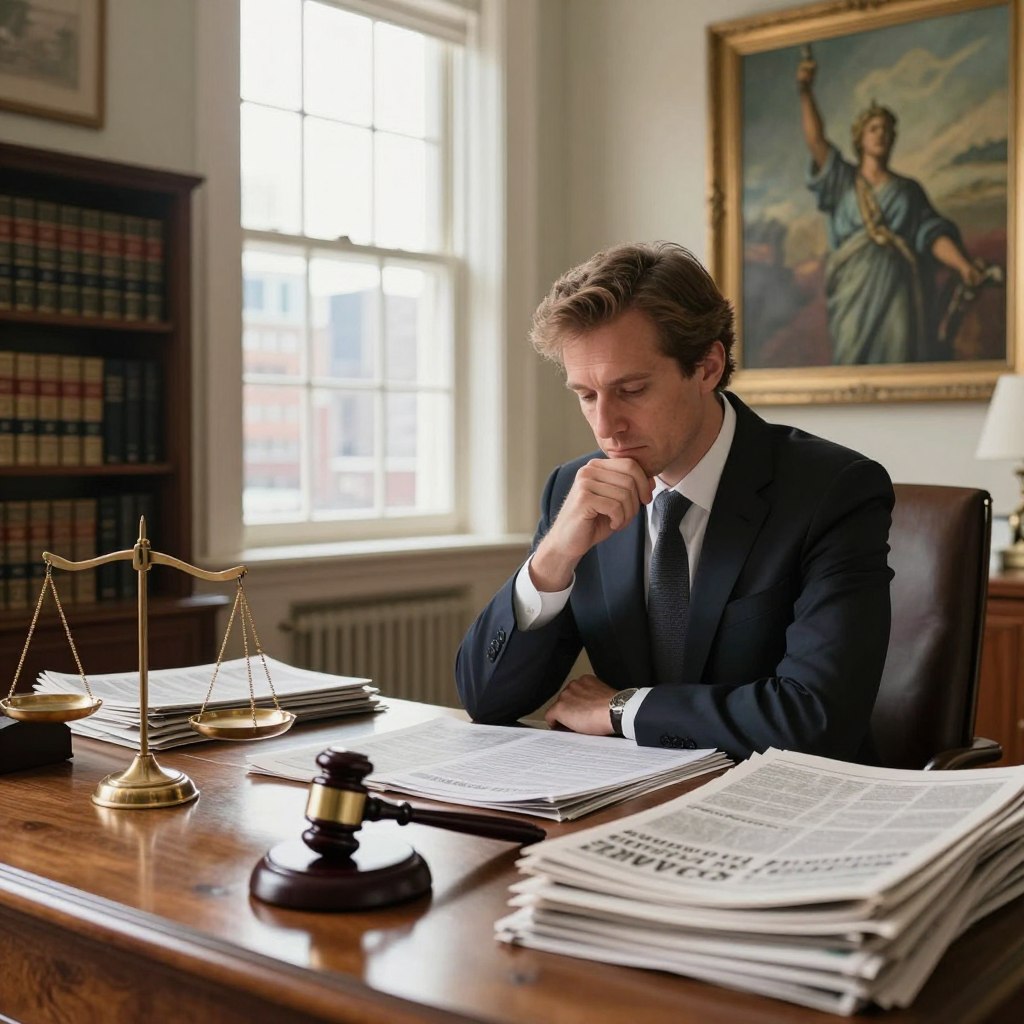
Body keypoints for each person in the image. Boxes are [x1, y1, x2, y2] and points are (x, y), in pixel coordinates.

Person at [454, 241, 894, 763]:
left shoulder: (833, 489)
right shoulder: (574, 490)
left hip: (783, 807)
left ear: (707, 366)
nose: (605, 426)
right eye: (586, 395)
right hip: (624, 801)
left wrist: (623, 709)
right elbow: (486, 699)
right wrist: (553, 559)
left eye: (632, 389)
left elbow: (816, 719)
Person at [797, 53, 985, 364]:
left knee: (898, 355)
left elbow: (931, 234)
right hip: (851, 291)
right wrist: (805, 91)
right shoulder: (842, 180)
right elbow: (816, 141)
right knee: (850, 361)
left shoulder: (907, 190)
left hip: (898, 292)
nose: (881, 134)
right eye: (873, 128)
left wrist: (963, 265)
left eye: (886, 129)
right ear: (860, 137)